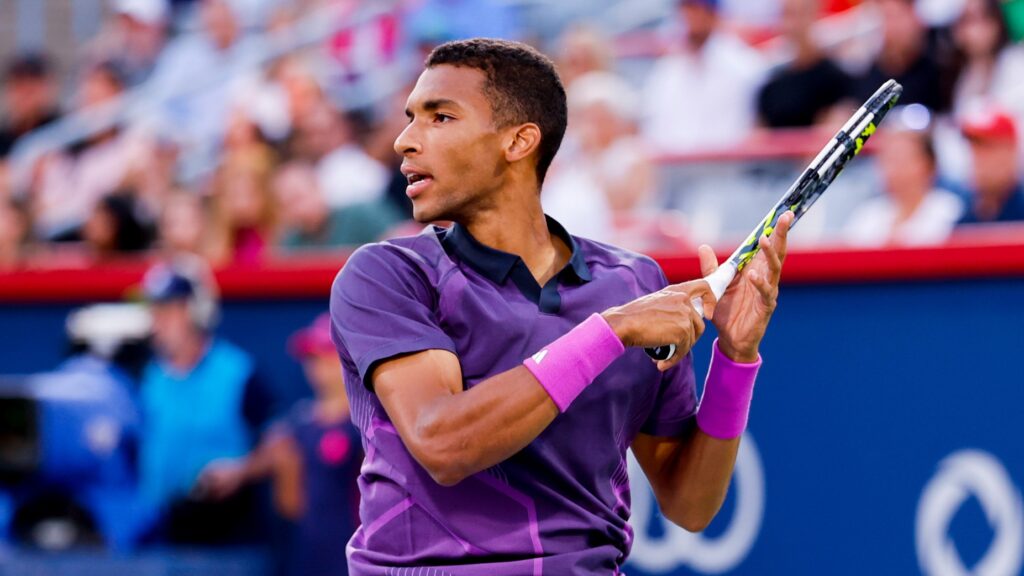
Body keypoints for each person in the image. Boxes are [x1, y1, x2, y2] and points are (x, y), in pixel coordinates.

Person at [330, 38, 792, 574]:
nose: (405, 141)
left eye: (440, 117)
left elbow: (689, 504)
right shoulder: (387, 275)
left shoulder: (632, 283)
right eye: (411, 118)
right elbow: (444, 442)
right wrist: (611, 331)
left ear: (519, 141)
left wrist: (736, 359)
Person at [198, 312, 362, 576]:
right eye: (311, 358)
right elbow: (269, 459)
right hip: (303, 556)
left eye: (325, 357)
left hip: (352, 555)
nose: (317, 368)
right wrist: (235, 472)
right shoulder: (300, 421)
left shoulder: (365, 425)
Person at [137, 257, 276, 543]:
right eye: (154, 310)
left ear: (197, 311)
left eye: (169, 310)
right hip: (161, 535)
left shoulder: (238, 372)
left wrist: (242, 470)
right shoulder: (147, 376)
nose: (157, 321)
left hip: (225, 532)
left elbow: (281, 442)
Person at [641, 0, 766, 151]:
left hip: (729, 168)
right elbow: (654, 130)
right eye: (685, 8)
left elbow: (750, 132)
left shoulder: (745, 67)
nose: (689, 17)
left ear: (713, 13)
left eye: (695, 9)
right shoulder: (667, 70)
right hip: (673, 168)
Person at [843, 125, 963, 246]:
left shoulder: (951, 211)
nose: (894, 169)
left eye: (902, 158)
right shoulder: (868, 214)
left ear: (929, 164)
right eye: (888, 159)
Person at [757, 0, 854, 128]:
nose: (791, 25)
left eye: (798, 14)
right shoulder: (772, 85)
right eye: (786, 15)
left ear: (814, 15)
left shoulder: (838, 80)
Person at [957, 107, 1024, 224]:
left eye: (987, 148)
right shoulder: (958, 208)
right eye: (974, 148)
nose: (977, 157)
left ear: (1010, 150)